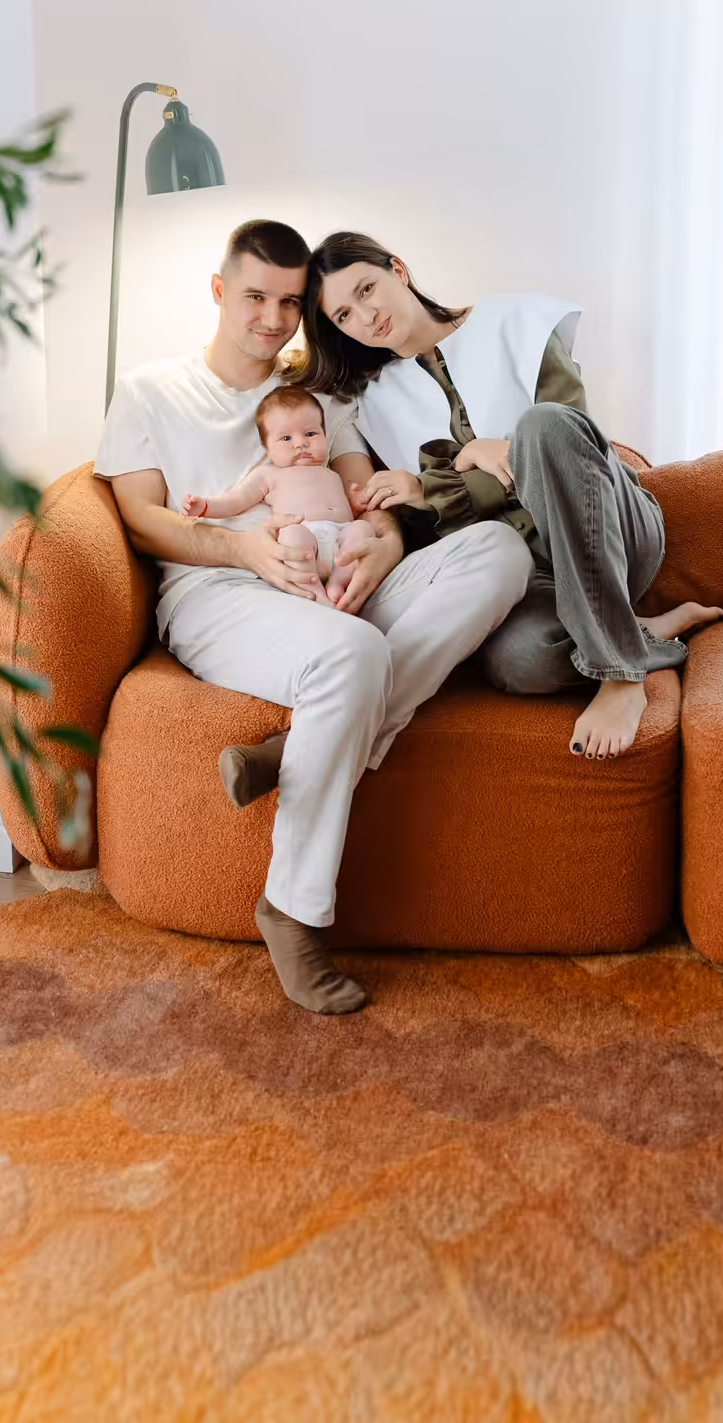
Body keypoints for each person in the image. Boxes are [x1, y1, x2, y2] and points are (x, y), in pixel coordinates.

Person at [95, 219, 529, 1016]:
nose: (272, 318)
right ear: (219, 290)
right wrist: (243, 552)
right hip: (218, 590)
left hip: (333, 571)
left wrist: (383, 539)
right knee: (351, 655)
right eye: (254, 296)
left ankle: (300, 748)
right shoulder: (151, 390)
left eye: (290, 303)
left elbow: (369, 497)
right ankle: (291, 909)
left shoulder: (321, 397)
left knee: (499, 551)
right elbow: (141, 520)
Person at [299, 231, 723, 764]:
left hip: (614, 531)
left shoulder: (516, 320)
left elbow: (572, 447)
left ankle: (620, 674)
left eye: (366, 289)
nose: (366, 317)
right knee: (519, 661)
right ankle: (635, 631)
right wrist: (446, 479)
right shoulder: (374, 404)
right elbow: (448, 532)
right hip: (535, 579)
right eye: (343, 315)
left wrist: (456, 472)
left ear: (398, 270)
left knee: (540, 425)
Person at [181, 385, 377, 606]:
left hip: (341, 539)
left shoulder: (331, 473)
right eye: (286, 438)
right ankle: (313, 591)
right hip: (305, 539)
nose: (300, 443)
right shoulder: (269, 475)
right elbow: (235, 501)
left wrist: (357, 503)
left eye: (310, 434)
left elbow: (345, 509)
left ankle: (338, 583)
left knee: (363, 529)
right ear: (268, 448)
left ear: (324, 435)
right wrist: (204, 506)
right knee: (291, 534)